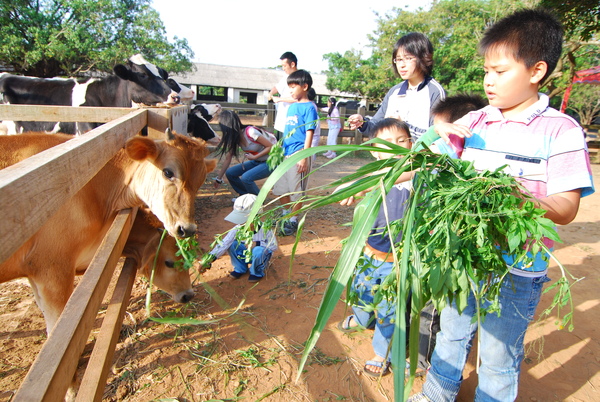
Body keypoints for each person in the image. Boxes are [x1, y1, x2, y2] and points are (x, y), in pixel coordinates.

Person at [409, 9, 594, 402]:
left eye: (500, 71)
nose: (488, 81)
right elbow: (418, 164)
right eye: (486, 71)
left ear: (536, 70)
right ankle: (436, 394)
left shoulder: (560, 130)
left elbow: (565, 206)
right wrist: (431, 138)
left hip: (519, 269)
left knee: (498, 354)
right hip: (466, 259)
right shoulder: (475, 122)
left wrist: (513, 195)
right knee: (451, 334)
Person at [411, 93, 488, 375]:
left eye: (443, 134)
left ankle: (423, 362)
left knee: (434, 308)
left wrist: (432, 135)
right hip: (431, 239)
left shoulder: (456, 161)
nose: (436, 142)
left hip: (447, 249)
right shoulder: (448, 156)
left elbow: (411, 158)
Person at [337, 118, 413, 377]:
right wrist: (353, 187)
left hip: (398, 261)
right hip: (370, 253)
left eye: (402, 141)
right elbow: (372, 179)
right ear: (374, 150)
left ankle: (383, 352)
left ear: (411, 144)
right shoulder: (372, 175)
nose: (396, 147)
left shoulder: (417, 175)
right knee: (361, 292)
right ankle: (360, 318)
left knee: (390, 309)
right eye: (387, 143)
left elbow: (408, 170)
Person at [347, 32, 445, 141]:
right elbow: (376, 127)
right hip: (389, 157)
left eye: (408, 58)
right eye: (398, 59)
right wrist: (362, 123)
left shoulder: (435, 91)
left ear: (423, 58)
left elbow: (437, 135)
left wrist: (402, 126)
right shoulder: (394, 92)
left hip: (417, 157)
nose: (402, 65)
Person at [272, 69, 318, 236]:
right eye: (289, 87)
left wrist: (304, 157)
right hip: (285, 154)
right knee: (281, 188)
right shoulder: (291, 107)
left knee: (296, 190)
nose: (290, 90)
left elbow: (309, 133)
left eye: (293, 87)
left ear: (304, 86)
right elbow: (287, 131)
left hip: (298, 153)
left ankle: (293, 220)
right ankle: (286, 214)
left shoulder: (309, 108)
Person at [201, 194, 278, 282]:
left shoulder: (265, 229)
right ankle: (240, 268)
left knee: (258, 251)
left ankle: (256, 272)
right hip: (244, 255)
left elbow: (273, 246)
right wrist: (209, 259)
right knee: (233, 245)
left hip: (259, 257)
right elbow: (224, 243)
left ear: (256, 217)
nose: (240, 222)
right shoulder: (237, 229)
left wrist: (257, 244)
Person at [212, 110, 277, 199]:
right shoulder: (234, 137)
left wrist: (255, 156)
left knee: (246, 178)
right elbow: (228, 158)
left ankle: (258, 202)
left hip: (271, 161)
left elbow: (271, 146)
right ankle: (245, 197)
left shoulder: (250, 132)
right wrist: (219, 179)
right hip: (257, 161)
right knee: (230, 173)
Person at [268, 52, 299, 136]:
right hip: (280, 121)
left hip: (291, 121)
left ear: (292, 64)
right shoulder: (286, 77)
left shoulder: (299, 78)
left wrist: (280, 99)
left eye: (284, 66)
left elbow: (297, 98)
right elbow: (277, 87)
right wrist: (270, 93)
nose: (283, 68)